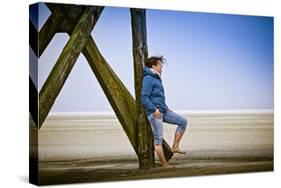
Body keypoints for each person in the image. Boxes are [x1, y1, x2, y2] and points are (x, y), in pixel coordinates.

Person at [141, 56, 188, 168]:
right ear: (153, 66)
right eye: (160, 65)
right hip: (155, 113)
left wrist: (165, 107)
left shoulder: (156, 78)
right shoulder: (148, 78)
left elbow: (157, 96)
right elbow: (144, 97)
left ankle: (175, 146)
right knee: (158, 138)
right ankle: (164, 164)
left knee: (183, 121)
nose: (162, 67)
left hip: (163, 110)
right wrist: (154, 110)